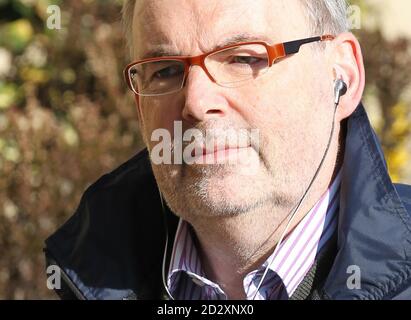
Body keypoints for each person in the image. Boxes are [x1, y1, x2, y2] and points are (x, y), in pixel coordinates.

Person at [44, 0, 411, 300]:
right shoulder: (90, 274)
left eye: (244, 58)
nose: (197, 101)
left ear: (342, 77)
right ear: (140, 107)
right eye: (165, 70)